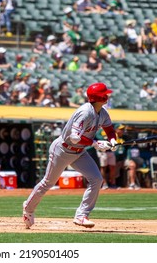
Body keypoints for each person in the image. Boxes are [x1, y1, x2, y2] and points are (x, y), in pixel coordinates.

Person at [23, 83, 118, 229]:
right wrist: (95, 143)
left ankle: (82, 215)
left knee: (97, 179)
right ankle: (28, 209)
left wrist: (112, 140)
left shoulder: (102, 112)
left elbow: (109, 129)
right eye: (104, 94)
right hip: (62, 150)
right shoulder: (85, 112)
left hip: (79, 152)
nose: (107, 96)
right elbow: (74, 137)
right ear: (97, 97)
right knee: (48, 183)